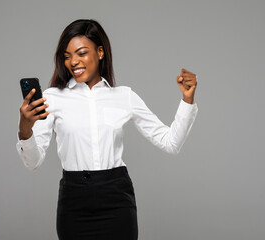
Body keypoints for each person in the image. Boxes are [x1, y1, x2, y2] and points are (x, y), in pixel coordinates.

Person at [16, 19, 198, 240]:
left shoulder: (124, 96)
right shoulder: (53, 98)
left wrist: (187, 101)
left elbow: (171, 143)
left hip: (116, 200)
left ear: (100, 52)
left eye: (81, 53)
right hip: (74, 202)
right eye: (67, 56)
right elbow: (33, 162)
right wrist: (25, 129)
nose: (73, 62)